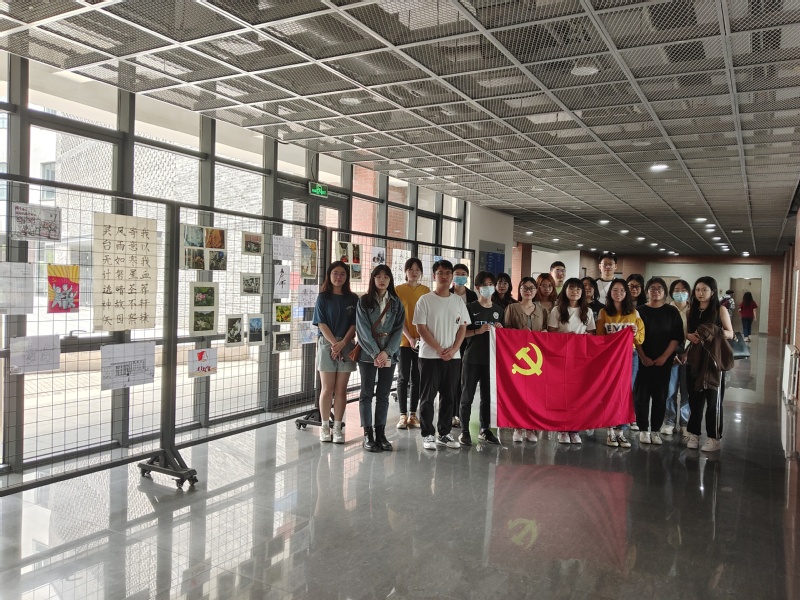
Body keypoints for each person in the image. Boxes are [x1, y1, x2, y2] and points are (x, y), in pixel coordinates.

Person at [413, 259, 470, 451]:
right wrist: (439, 349)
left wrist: (453, 349)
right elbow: (421, 329)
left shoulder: (458, 301)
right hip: (429, 357)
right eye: (440, 273)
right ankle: (427, 434)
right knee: (427, 397)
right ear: (434, 276)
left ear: (452, 276)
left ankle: (444, 433)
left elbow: (462, 328)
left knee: (449, 396)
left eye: (447, 273)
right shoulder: (425, 300)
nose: (444, 276)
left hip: (453, 358)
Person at [356, 265, 405, 452]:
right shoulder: (364, 301)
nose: (382, 280)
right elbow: (362, 330)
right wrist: (376, 353)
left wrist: (387, 352)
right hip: (368, 355)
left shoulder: (396, 302)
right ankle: (368, 434)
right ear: (373, 279)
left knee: (383, 394)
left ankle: (381, 433)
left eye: (386, 276)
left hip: (389, 354)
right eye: (378, 276)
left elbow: (399, 330)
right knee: (366, 393)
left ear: (390, 279)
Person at [312, 261, 359, 444]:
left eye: (342, 274)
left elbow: (355, 324)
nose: (338, 277)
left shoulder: (353, 298)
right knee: (327, 388)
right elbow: (321, 323)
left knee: (341, 389)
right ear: (329, 275)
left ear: (347, 277)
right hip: (327, 344)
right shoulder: (323, 297)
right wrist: (334, 344)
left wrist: (343, 343)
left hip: (346, 344)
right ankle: (325, 427)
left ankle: (337, 427)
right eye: (335, 273)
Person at [686, 277, 734, 452]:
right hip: (694, 359)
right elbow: (687, 332)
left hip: (714, 360)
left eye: (705, 289)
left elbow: (730, 333)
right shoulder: (690, 310)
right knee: (694, 400)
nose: (700, 293)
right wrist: (689, 336)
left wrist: (713, 332)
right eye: (698, 289)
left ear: (712, 292)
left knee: (713, 401)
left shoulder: (720, 309)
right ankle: (694, 433)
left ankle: (714, 437)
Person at [634, 277, 684, 446]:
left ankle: (655, 430)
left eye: (659, 289)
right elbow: (635, 337)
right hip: (642, 361)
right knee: (641, 396)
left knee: (661, 396)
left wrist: (664, 357)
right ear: (647, 291)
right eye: (652, 288)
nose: (656, 291)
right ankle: (643, 429)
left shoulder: (671, 312)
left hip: (664, 361)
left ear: (664, 292)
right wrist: (643, 356)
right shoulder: (639, 311)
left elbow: (676, 337)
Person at [596, 279, 644, 449]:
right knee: (610, 392)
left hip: (630, 357)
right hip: (610, 359)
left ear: (627, 293)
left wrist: (635, 333)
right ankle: (610, 430)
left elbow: (640, 339)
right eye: (615, 290)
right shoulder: (603, 312)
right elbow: (599, 337)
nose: (618, 293)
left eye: (622, 290)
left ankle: (621, 432)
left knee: (626, 392)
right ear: (610, 293)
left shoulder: (634, 313)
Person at [548, 277, 595, 444]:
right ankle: (562, 429)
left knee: (578, 394)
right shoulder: (557, 310)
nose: (575, 291)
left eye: (578, 289)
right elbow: (551, 334)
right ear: (565, 290)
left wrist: (583, 338)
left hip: (580, 358)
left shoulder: (587, 311)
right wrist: (567, 337)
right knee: (562, 394)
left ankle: (574, 430)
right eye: (571, 288)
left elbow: (592, 333)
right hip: (561, 358)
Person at [459, 271, 504, 447]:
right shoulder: (470, 308)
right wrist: (477, 331)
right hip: (472, 358)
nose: (488, 288)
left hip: (491, 361)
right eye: (484, 285)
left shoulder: (499, 310)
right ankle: (464, 431)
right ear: (477, 288)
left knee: (487, 397)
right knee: (467, 396)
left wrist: (501, 331)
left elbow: (505, 339)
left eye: (491, 284)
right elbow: (461, 334)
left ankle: (485, 429)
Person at [504, 276, 547, 443]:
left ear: (536, 291)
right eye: (525, 288)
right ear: (520, 289)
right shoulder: (512, 308)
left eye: (531, 288)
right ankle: (518, 427)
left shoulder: (542, 310)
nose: (528, 291)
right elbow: (505, 332)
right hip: (517, 357)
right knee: (518, 393)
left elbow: (546, 331)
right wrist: (518, 333)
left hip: (536, 358)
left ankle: (531, 427)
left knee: (534, 395)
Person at [394, 258, 429, 430]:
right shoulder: (398, 290)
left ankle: (413, 415)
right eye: (410, 269)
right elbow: (397, 317)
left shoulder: (426, 291)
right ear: (405, 271)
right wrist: (409, 338)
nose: (414, 273)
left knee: (417, 377)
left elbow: (429, 316)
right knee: (402, 377)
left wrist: (420, 337)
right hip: (403, 341)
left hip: (421, 341)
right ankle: (402, 415)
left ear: (421, 272)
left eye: (417, 269)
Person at [449, 263, 477, 428]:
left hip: (468, 341)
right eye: (457, 273)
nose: (460, 276)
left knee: (463, 380)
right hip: (450, 340)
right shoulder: (447, 293)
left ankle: (459, 414)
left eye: (463, 274)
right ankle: (452, 413)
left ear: (467, 277)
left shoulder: (472, 296)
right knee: (452, 378)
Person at [662, 279, 692, 436]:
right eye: (676, 290)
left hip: (689, 354)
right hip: (670, 354)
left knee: (687, 391)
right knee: (670, 390)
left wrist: (687, 353)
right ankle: (669, 421)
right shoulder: (666, 310)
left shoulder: (693, 310)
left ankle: (685, 423)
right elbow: (662, 334)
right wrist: (671, 354)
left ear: (689, 292)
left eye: (683, 290)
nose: (680, 293)